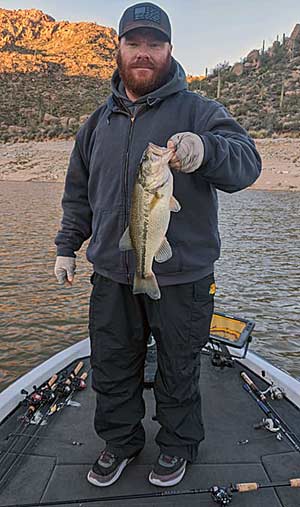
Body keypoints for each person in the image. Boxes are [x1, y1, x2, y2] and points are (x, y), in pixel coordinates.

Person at [54, 1, 261, 489]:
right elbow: (79, 193)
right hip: (110, 273)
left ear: (169, 50)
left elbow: (246, 163)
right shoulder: (96, 124)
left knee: (179, 365)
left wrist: (205, 148)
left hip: (183, 277)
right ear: (119, 49)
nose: (143, 53)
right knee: (111, 364)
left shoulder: (200, 109)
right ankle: (120, 442)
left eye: (154, 44)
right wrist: (68, 245)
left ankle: (177, 445)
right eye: (134, 43)